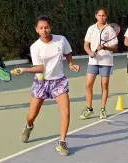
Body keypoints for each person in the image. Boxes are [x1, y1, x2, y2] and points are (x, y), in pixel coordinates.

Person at [11, 15, 80, 156]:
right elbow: (39, 69)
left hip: (59, 81)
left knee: (66, 111)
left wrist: (71, 64)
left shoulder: (61, 39)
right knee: (32, 115)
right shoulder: (35, 47)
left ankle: (62, 142)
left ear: (51, 27)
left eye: (46, 27)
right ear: (37, 30)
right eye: (41, 28)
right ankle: (29, 126)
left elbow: (68, 53)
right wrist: (25, 69)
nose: (44, 30)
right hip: (41, 82)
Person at [79, 8, 118, 120]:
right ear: (96, 16)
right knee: (88, 84)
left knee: (104, 85)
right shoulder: (91, 28)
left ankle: (102, 109)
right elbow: (86, 45)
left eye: (104, 15)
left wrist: (105, 47)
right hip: (93, 62)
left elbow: (115, 47)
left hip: (106, 62)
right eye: (99, 15)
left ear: (106, 16)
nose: (101, 17)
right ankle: (89, 108)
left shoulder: (110, 29)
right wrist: (90, 52)